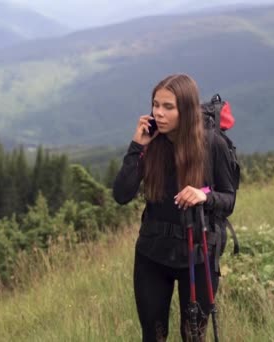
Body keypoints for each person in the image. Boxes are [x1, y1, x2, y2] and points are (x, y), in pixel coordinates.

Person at [113, 73, 237, 341]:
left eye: (168, 107)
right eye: (156, 105)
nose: (159, 113)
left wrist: (204, 196)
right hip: (152, 254)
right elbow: (121, 194)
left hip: (199, 253)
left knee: (193, 336)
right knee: (153, 335)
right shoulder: (151, 143)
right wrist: (136, 146)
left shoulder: (211, 144)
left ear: (187, 109)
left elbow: (229, 199)